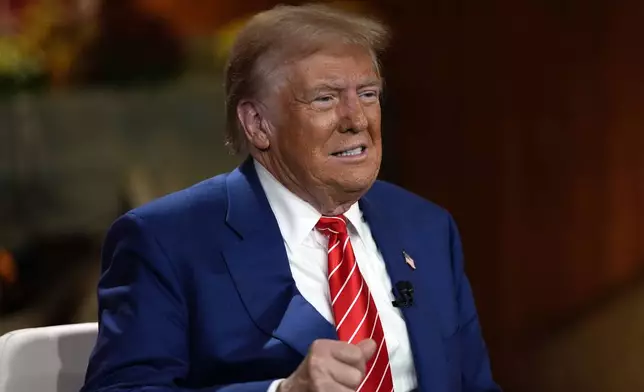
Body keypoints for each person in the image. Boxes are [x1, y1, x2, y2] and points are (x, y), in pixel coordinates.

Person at [81, 4, 500, 392]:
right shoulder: (166, 242)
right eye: (325, 98)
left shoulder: (427, 228)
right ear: (258, 123)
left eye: (368, 94)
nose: (357, 120)